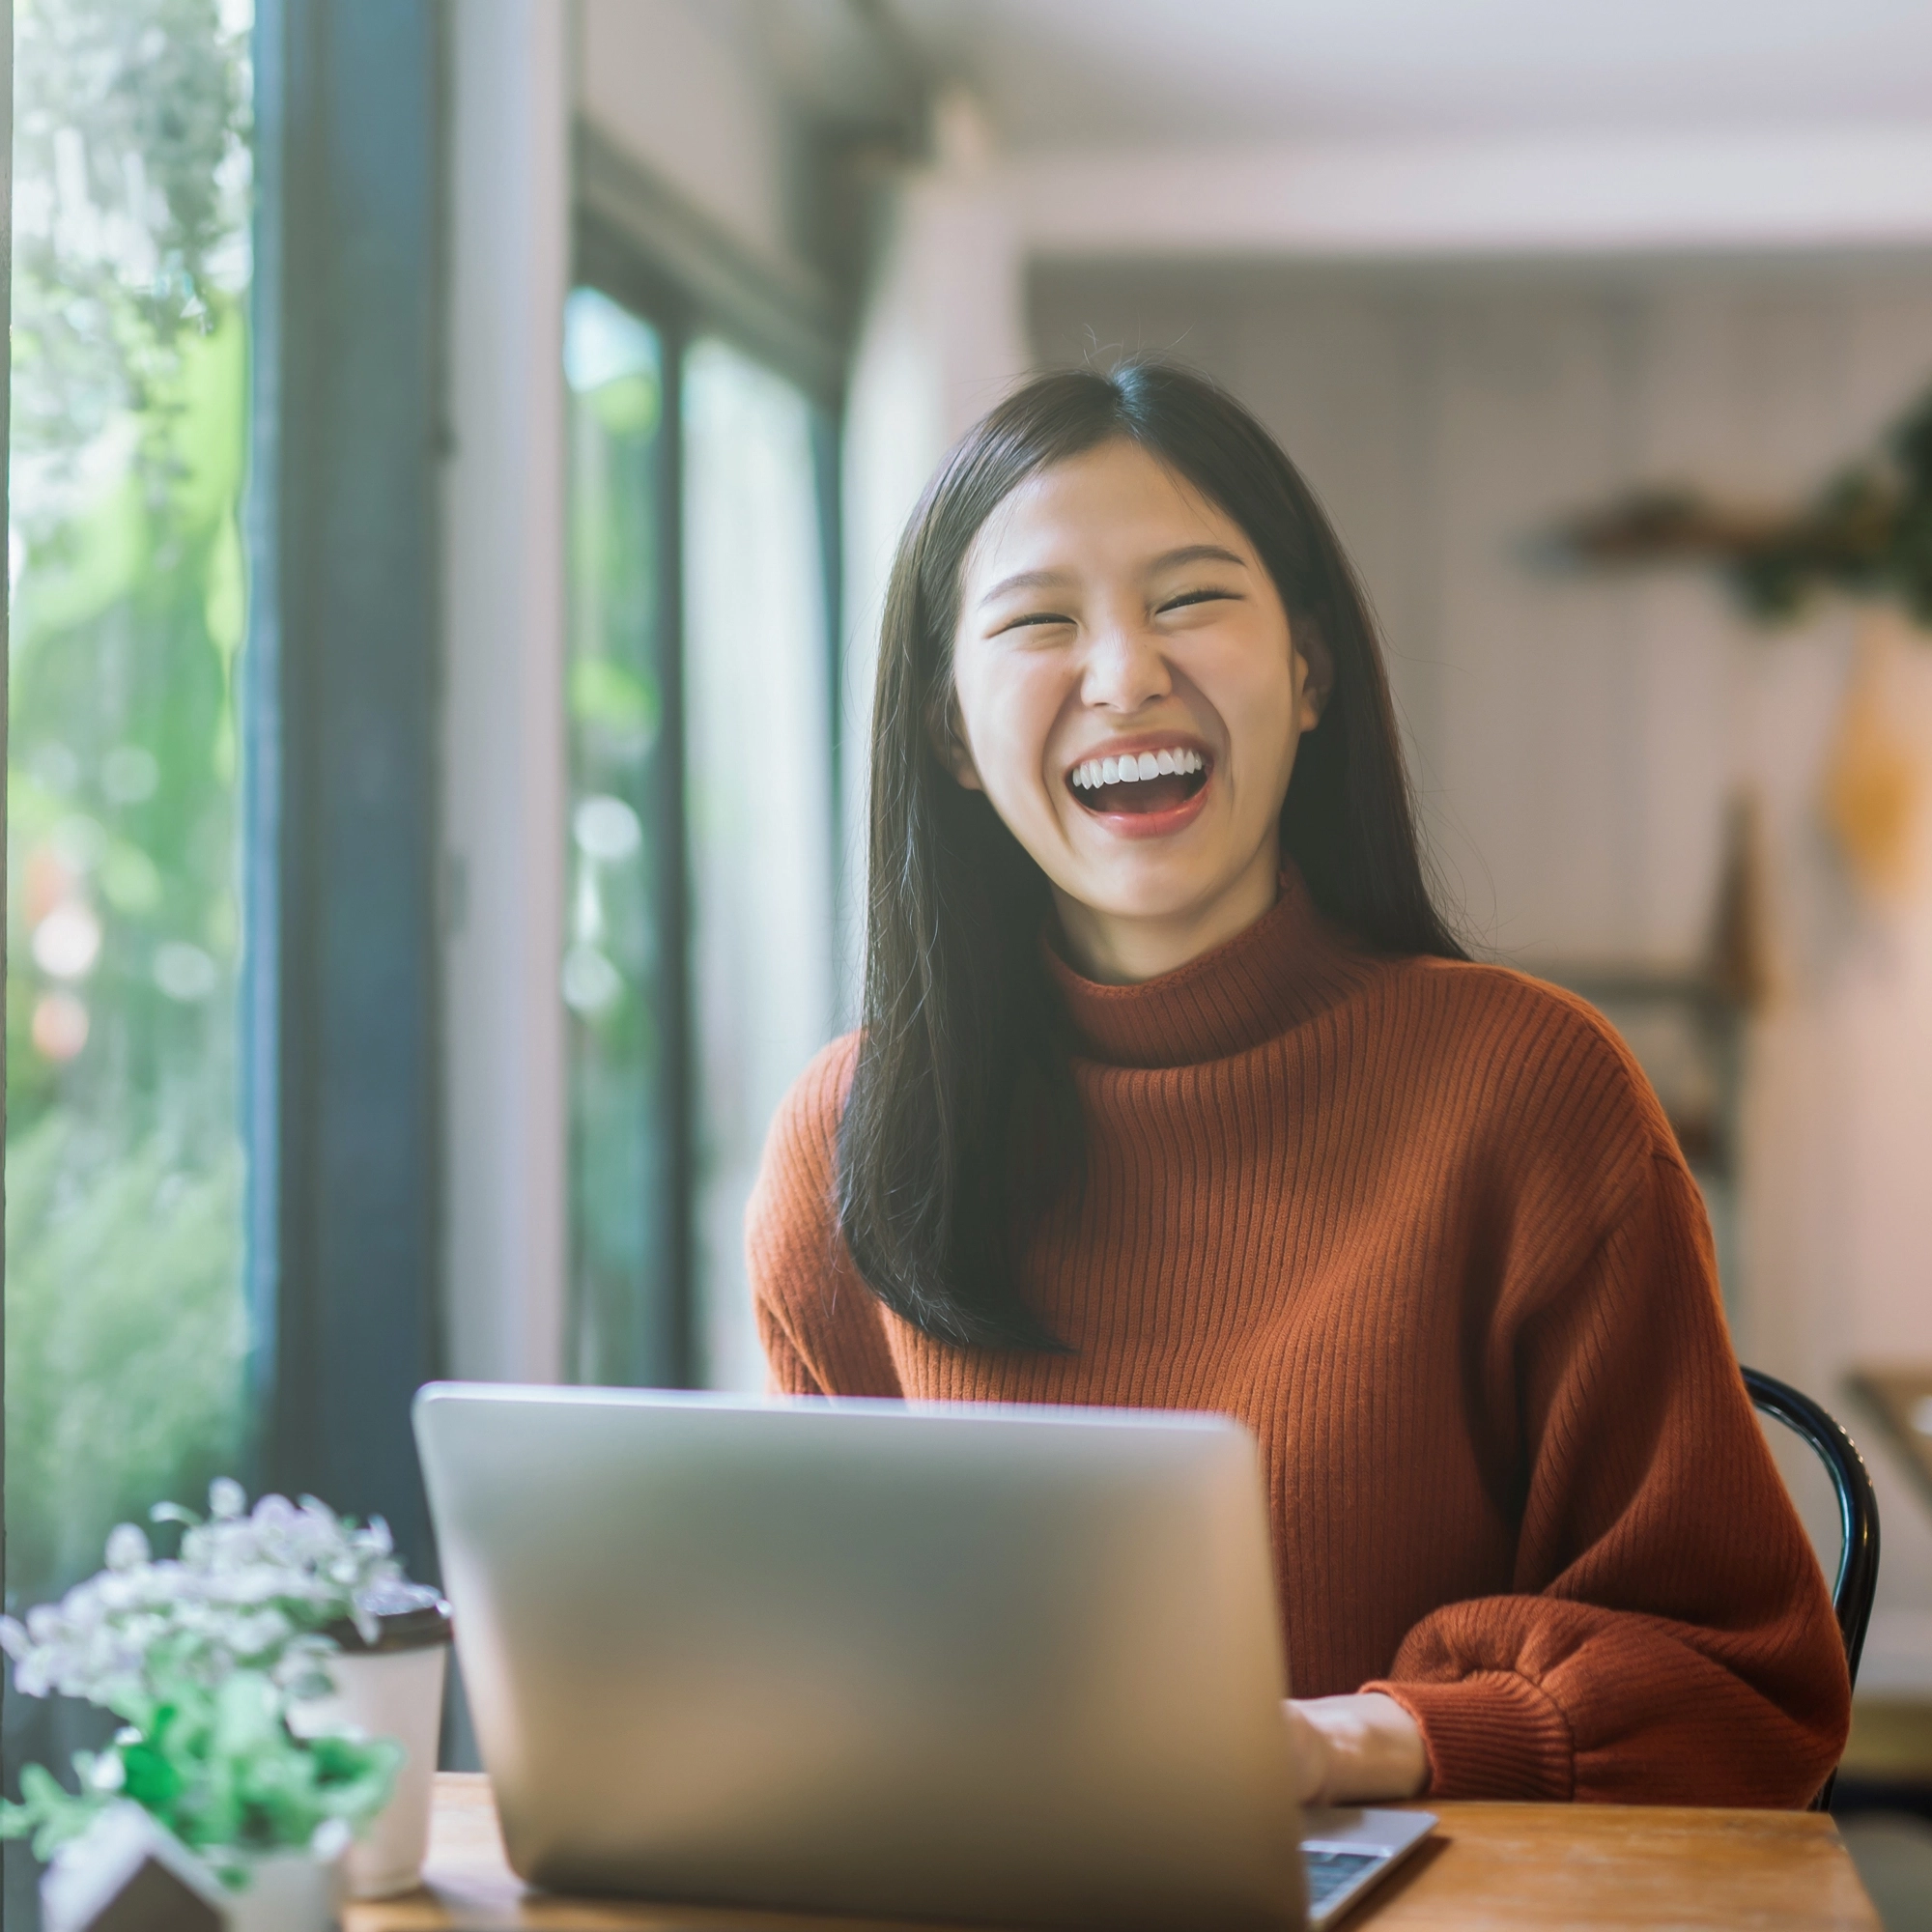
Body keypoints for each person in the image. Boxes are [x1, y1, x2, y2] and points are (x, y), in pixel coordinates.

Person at [748, 361, 1850, 1808]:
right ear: (953, 732)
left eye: (1191, 598)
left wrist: (1361, 1741)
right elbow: (826, 1659)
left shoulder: (1529, 1092)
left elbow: (1748, 1689)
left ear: (1312, 670)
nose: (1126, 672)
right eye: (1038, 622)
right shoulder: (852, 1139)